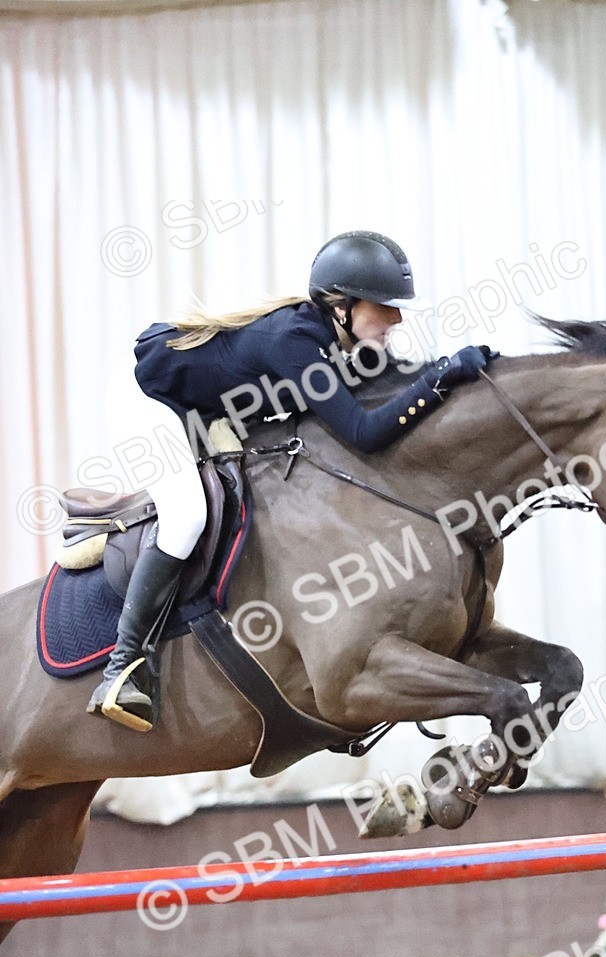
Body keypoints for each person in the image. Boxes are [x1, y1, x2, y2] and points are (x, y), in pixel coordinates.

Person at [86, 230, 491, 731]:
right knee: (187, 515)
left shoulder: (331, 341)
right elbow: (364, 433)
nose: (398, 319)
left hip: (206, 410)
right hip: (148, 401)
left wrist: (447, 375)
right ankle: (121, 667)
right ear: (341, 306)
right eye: (385, 307)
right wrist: (442, 378)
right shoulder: (295, 344)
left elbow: (391, 387)